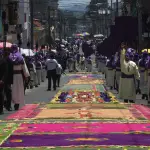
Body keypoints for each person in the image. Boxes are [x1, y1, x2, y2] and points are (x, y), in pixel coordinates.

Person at [9, 44, 30, 110]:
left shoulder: (9, 57)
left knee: (13, 90)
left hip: (11, 75)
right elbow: (24, 68)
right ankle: (18, 103)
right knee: (19, 90)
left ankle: (13, 102)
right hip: (19, 76)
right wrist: (26, 76)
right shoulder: (20, 57)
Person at [0, 50, 7, 114]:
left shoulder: (3, 61)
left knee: (1, 94)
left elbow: (5, 72)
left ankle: (1, 109)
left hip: (1, 81)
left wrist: (2, 80)